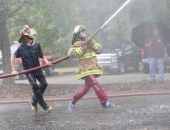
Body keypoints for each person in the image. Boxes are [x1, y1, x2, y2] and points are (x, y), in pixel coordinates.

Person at [67, 25, 114, 111]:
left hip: (92, 69)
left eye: (83, 31)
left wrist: (92, 43)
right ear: (77, 35)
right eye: (81, 31)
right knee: (95, 83)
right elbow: (72, 54)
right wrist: (83, 46)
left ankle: (73, 101)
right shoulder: (76, 44)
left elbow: (99, 50)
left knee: (85, 89)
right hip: (85, 70)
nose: (83, 32)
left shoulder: (90, 41)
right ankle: (104, 102)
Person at [11, 25, 53, 112]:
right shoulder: (21, 47)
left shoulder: (37, 45)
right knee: (35, 86)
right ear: (26, 36)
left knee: (44, 84)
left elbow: (41, 56)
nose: (33, 33)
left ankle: (33, 101)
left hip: (38, 69)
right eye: (30, 32)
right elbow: (12, 57)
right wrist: (13, 70)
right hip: (29, 71)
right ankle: (45, 106)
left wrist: (47, 62)